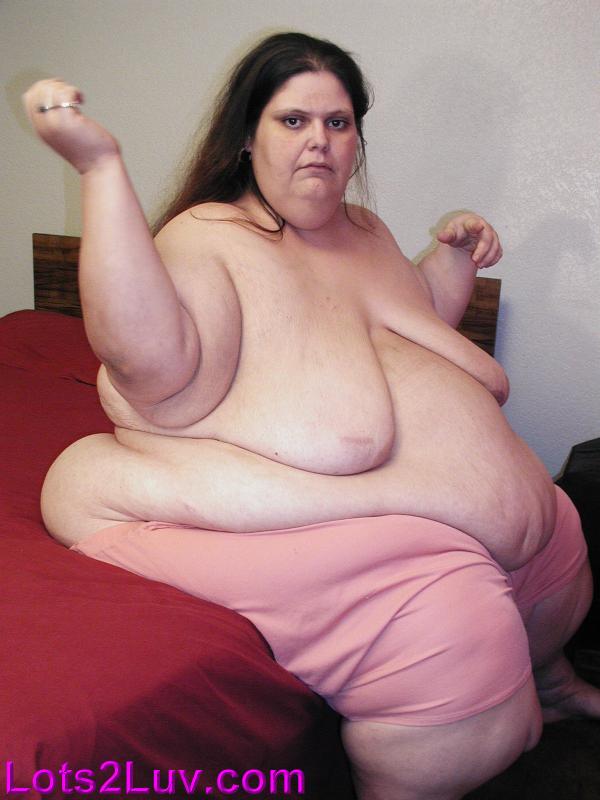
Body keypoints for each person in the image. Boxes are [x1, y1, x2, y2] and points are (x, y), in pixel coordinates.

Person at [24, 32, 599, 800]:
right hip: (297, 509)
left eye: (337, 122)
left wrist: (453, 257)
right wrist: (101, 172)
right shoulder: (210, 237)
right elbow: (150, 363)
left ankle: (551, 681)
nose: (319, 141)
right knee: (451, 613)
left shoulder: (365, 233)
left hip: (456, 502)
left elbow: (405, 329)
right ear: (247, 135)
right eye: (293, 120)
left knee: (557, 525)